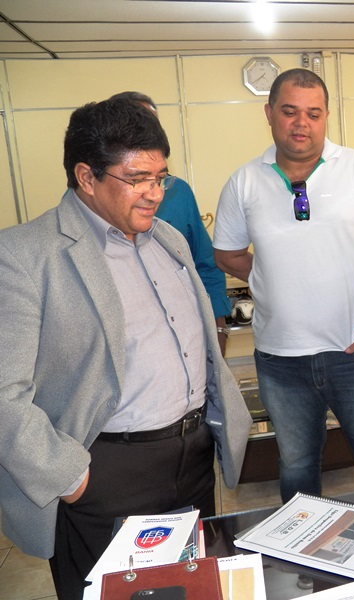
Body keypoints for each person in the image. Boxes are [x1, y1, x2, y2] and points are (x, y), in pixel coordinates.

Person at [0, 98, 252, 600]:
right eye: (137, 179)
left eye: (161, 177)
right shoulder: (24, 255)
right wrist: (71, 478)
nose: (154, 193)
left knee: (189, 588)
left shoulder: (167, 239)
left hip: (191, 460)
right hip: (103, 472)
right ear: (86, 177)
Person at [213, 67, 354, 503]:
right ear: (269, 114)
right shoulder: (244, 181)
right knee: (297, 467)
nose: (301, 123)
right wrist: (275, 274)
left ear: (325, 117)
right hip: (280, 360)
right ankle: (305, 546)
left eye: (313, 113)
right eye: (289, 112)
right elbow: (227, 255)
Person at [108, 91, 232, 355]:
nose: (153, 195)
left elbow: (205, 264)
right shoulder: (92, 199)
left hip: (184, 337)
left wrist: (219, 327)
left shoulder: (178, 191)